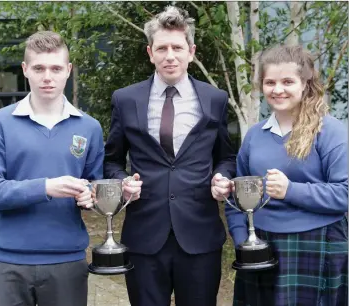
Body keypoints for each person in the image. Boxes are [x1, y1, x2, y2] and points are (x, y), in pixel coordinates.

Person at [104, 6, 236, 306]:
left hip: (200, 235)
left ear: (191, 51)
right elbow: (111, 161)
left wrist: (222, 176)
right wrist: (122, 181)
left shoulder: (215, 99)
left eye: (177, 47)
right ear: (150, 53)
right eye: (162, 48)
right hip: (144, 236)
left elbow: (227, 157)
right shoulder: (125, 99)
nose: (170, 56)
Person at [226, 45, 348, 306]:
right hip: (261, 245)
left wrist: (291, 190)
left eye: (287, 81)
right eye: (270, 82)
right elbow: (237, 197)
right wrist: (242, 239)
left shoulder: (330, 131)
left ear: (305, 83)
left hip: (317, 244)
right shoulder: (255, 135)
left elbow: (345, 193)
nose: (277, 89)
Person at [0, 31, 104, 306]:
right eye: (39, 68)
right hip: (7, 262)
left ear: (68, 70)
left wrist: (89, 196)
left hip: (67, 259)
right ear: (25, 70)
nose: (47, 76)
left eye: (55, 68)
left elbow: (95, 187)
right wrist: (45, 187)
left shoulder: (89, 127)